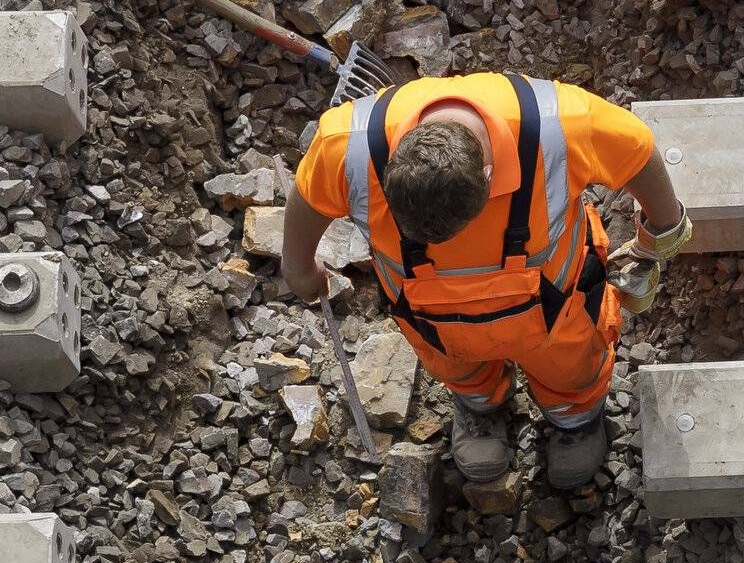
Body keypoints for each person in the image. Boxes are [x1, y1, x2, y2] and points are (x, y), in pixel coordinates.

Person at [278, 69, 694, 494]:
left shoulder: (560, 125)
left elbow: (639, 152)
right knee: (458, 366)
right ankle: (481, 405)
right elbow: (309, 197)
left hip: (557, 314)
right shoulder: (345, 146)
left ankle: (574, 418)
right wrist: (298, 266)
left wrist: (662, 228)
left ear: (490, 172)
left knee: (573, 371)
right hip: (435, 324)